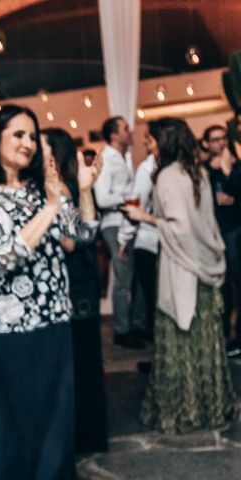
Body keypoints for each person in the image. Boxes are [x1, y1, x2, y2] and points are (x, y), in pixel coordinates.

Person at [0, 105, 99, 479]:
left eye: (32, 135)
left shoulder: (39, 189)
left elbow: (80, 236)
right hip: (11, 329)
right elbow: (7, 254)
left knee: (58, 420)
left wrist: (83, 192)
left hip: (55, 317)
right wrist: (51, 206)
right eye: (19, 135)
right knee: (19, 422)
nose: (28, 143)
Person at [123, 118, 236, 434]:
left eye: (151, 139)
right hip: (205, 267)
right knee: (206, 343)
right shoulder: (197, 171)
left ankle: (184, 409)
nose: (148, 145)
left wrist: (142, 216)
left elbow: (180, 228)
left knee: (181, 341)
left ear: (166, 141)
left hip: (183, 270)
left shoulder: (168, 177)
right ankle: (209, 405)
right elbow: (205, 224)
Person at [42, 127, 108, 454]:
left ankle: (84, 435)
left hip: (74, 286)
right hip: (81, 284)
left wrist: (82, 191)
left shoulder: (60, 189)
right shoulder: (62, 187)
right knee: (84, 363)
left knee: (79, 364)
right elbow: (88, 232)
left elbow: (74, 240)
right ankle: (90, 434)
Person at [93, 116, 146, 349]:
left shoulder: (123, 157)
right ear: (113, 135)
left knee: (133, 275)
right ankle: (121, 329)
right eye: (125, 128)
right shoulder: (106, 158)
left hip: (128, 221)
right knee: (123, 276)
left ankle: (136, 324)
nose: (130, 131)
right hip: (114, 223)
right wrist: (129, 200)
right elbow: (102, 198)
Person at [117, 129, 160, 341]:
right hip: (151, 241)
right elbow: (136, 205)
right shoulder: (149, 167)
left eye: (150, 140)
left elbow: (136, 202)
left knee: (156, 300)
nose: (148, 146)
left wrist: (124, 238)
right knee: (155, 300)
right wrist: (125, 237)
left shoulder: (150, 167)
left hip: (153, 241)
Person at [202, 125, 241, 357]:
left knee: (237, 284)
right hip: (211, 235)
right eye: (215, 139)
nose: (221, 143)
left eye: (223, 138)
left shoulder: (234, 166)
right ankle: (224, 335)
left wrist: (233, 197)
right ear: (206, 143)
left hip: (234, 232)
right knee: (220, 286)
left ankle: (237, 339)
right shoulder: (203, 170)